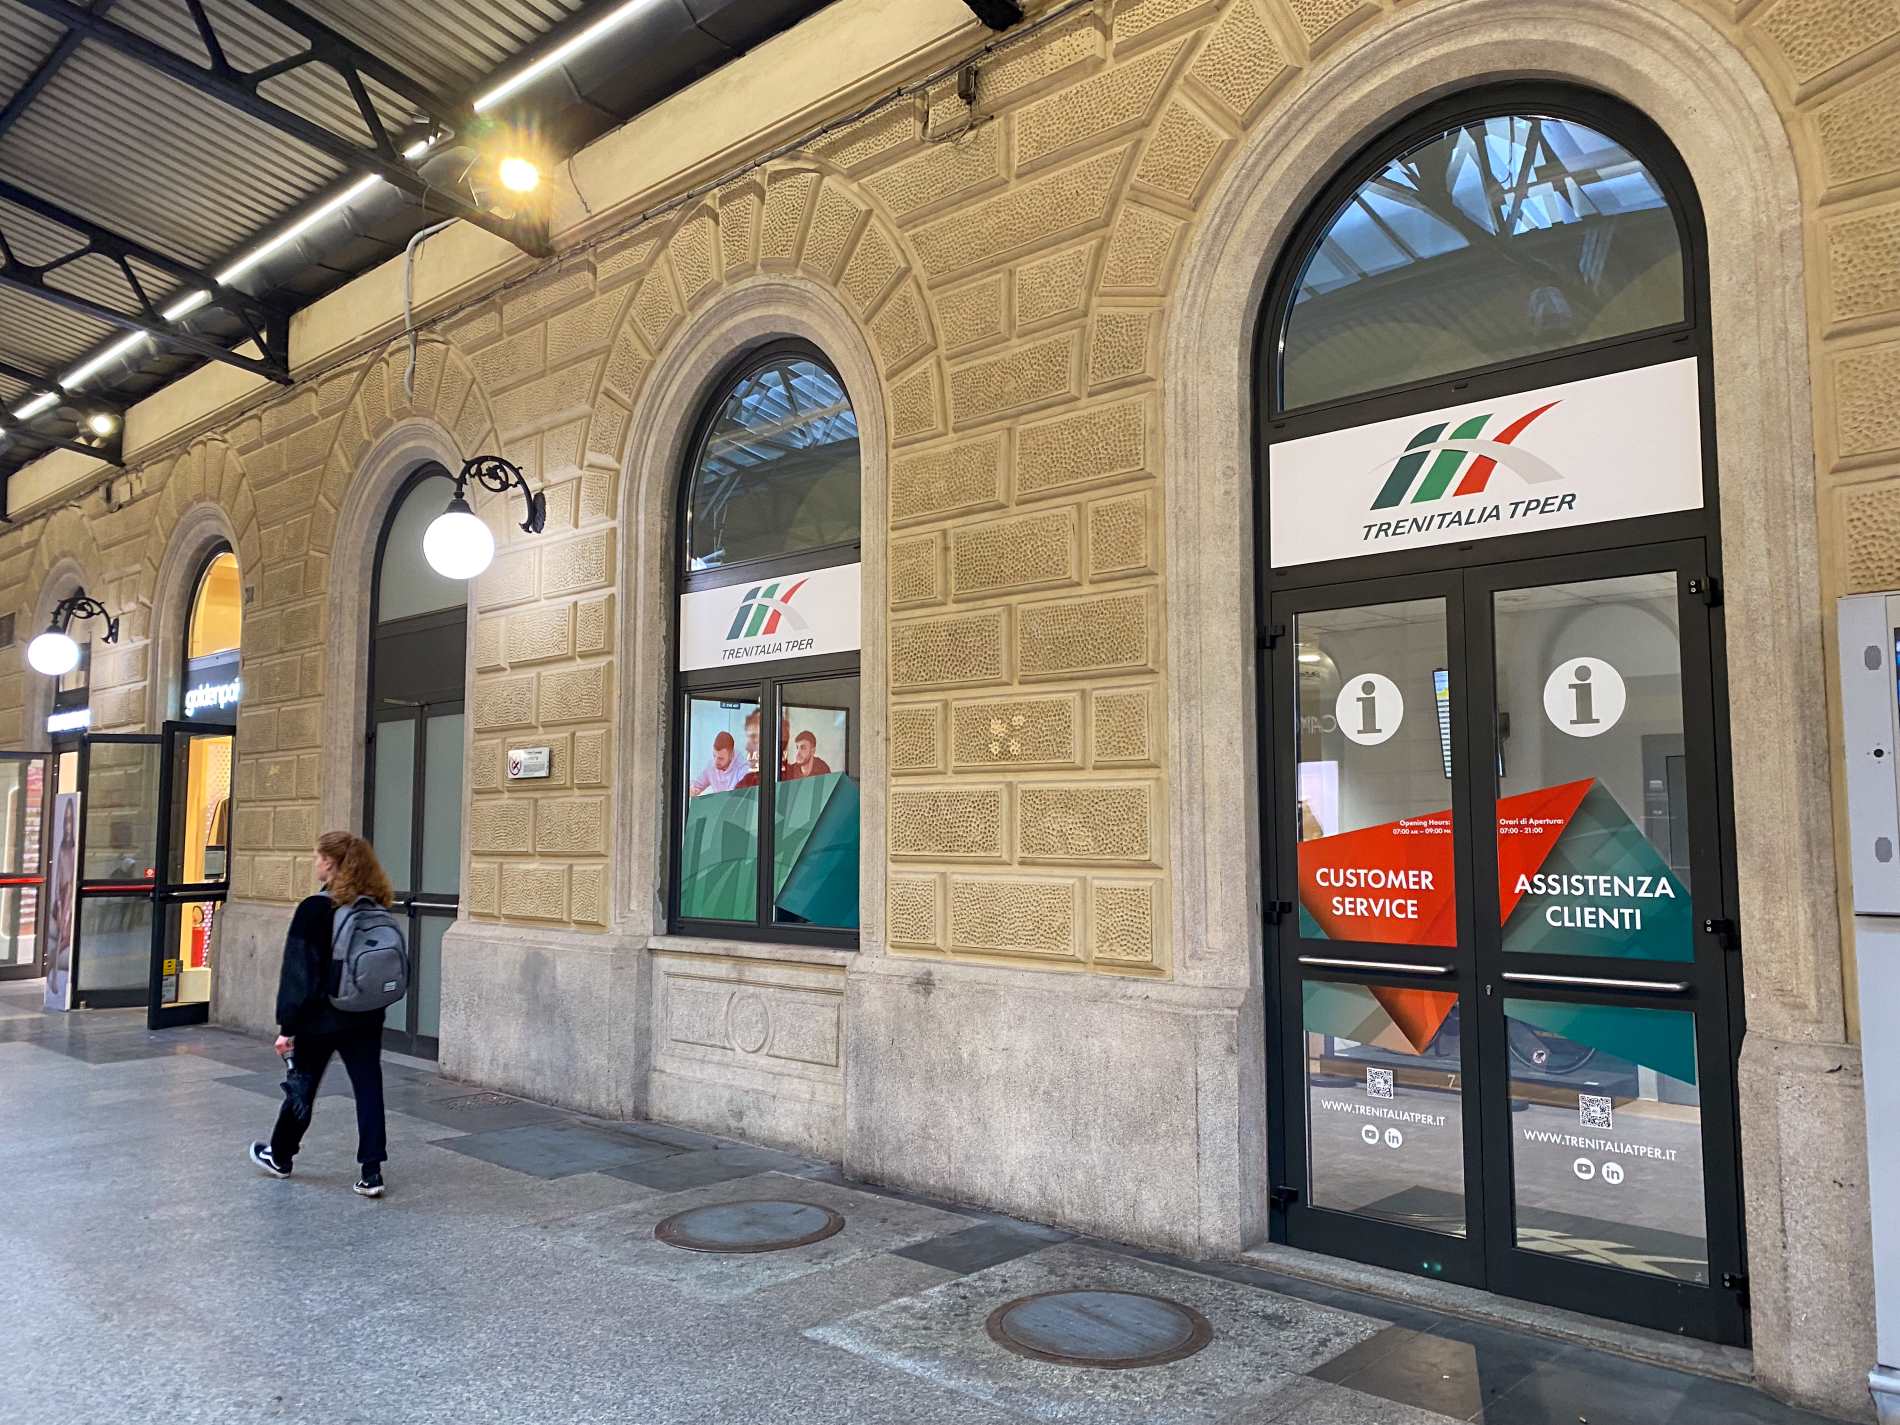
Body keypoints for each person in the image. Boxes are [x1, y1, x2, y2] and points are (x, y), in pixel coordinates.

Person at [247, 831, 392, 1198]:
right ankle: (372, 1172)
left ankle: (280, 1156)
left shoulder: (314, 908)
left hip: (320, 1018)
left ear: (329, 862)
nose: (315, 864)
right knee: (369, 1088)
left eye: (317, 857)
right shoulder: (374, 904)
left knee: (303, 1087)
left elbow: (298, 973)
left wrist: (287, 1027)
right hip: (364, 1014)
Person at [689, 730, 749, 796]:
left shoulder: (743, 769)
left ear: (731, 755)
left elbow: (742, 797)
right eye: (714, 756)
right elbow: (696, 785)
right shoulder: (711, 765)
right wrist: (692, 789)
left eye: (721, 758)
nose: (716, 762)